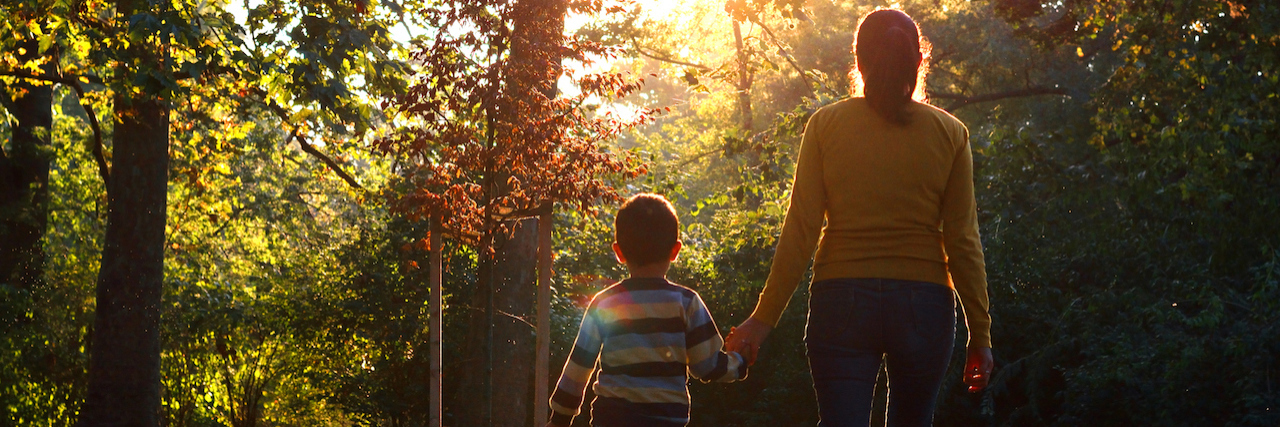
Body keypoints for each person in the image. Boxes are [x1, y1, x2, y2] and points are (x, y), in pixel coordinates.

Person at [725, 8, 995, 427]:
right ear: (919, 61)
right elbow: (963, 241)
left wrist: (762, 320)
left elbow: (801, 230)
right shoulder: (951, 133)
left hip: (841, 301)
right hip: (924, 307)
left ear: (858, 60)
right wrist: (981, 334)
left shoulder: (825, 126)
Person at [546, 193, 748, 427]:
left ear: (618, 252)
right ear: (675, 251)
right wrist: (739, 361)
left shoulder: (605, 303)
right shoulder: (686, 303)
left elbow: (579, 365)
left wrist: (560, 418)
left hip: (611, 419)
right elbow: (707, 366)